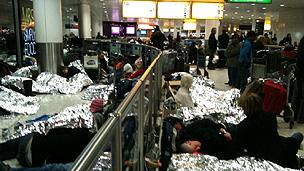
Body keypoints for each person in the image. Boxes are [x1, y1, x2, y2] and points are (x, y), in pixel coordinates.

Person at [0, 99, 106, 168]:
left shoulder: (81, 133)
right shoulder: (90, 151)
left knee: (17, 143)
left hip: (31, 146)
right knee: (19, 148)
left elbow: (55, 132)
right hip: (33, 161)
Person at [236, 80, 303, 169]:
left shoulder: (243, 126)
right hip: (279, 149)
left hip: (265, 155)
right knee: (298, 135)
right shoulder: (270, 116)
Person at [178, 118, 243, 160]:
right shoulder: (206, 152)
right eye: (196, 150)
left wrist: (221, 129)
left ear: (188, 141)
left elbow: (206, 121)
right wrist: (230, 141)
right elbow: (225, 154)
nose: (198, 148)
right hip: (230, 142)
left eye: (195, 146)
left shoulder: (192, 130)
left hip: (223, 129)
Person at [292, 36, 304, 123]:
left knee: (297, 95)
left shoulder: (302, 41)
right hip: (302, 72)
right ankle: (301, 117)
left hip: (299, 71)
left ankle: (294, 115)